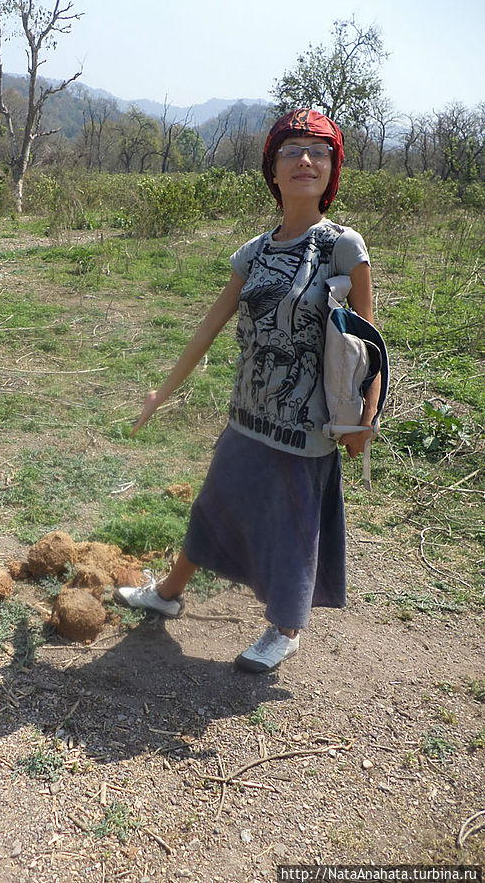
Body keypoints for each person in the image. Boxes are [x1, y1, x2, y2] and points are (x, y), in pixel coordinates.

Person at [114, 108, 381, 673]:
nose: (304, 159)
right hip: (249, 412)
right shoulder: (254, 252)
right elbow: (208, 327)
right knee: (214, 505)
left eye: (318, 151)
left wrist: (364, 423)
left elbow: (368, 344)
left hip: (307, 425)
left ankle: (285, 628)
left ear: (331, 170)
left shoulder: (343, 247)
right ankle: (168, 593)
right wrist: (160, 394)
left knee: (291, 525)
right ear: (273, 170)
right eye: (291, 151)